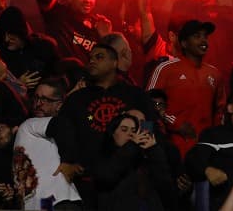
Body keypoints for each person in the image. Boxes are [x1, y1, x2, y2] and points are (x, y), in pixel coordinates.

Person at [46, 43, 155, 209]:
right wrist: (69, 161)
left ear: (115, 63)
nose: (92, 61)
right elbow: (64, 130)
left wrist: (146, 156)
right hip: (90, 182)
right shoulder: (77, 99)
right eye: (90, 58)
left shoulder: (135, 95)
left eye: (99, 57)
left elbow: (150, 126)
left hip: (129, 177)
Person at [147, 20, 224, 157]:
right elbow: (147, 104)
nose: (203, 40)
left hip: (206, 153)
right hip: (172, 151)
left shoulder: (215, 74)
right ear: (184, 43)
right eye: (197, 36)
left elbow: (220, 111)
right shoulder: (165, 69)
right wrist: (175, 123)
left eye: (205, 36)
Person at [13, 78, 81, 210]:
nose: (38, 104)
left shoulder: (30, 125)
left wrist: (68, 161)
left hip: (56, 203)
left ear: (59, 105)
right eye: (36, 98)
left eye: (45, 100)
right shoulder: (41, 130)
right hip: (47, 204)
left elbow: (62, 125)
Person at [94, 112, 175, 211]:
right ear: (113, 133)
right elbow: (106, 176)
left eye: (133, 130)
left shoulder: (142, 157)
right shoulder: (104, 157)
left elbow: (166, 187)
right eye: (124, 130)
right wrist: (131, 146)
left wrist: (153, 150)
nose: (130, 134)